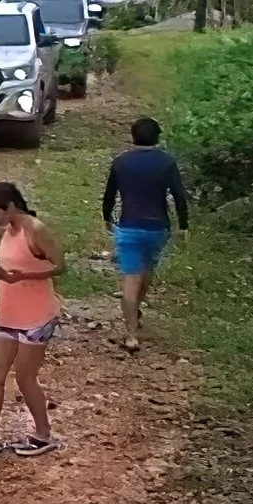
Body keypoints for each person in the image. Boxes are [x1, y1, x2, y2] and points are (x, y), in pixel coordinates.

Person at [0, 176, 65, 456]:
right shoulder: (9, 230)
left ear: (10, 206)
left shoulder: (33, 229)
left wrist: (22, 276)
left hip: (37, 316)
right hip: (8, 314)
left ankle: (44, 434)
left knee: (25, 378)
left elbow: (60, 266)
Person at [101, 112, 191, 351]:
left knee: (131, 279)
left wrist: (106, 217)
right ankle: (136, 312)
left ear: (132, 137)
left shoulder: (121, 162)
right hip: (157, 228)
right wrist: (183, 225)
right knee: (146, 273)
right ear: (157, 138)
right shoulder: (166, 162)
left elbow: (110, 194)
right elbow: (180, 196)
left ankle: (131, 335)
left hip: (129, 226)